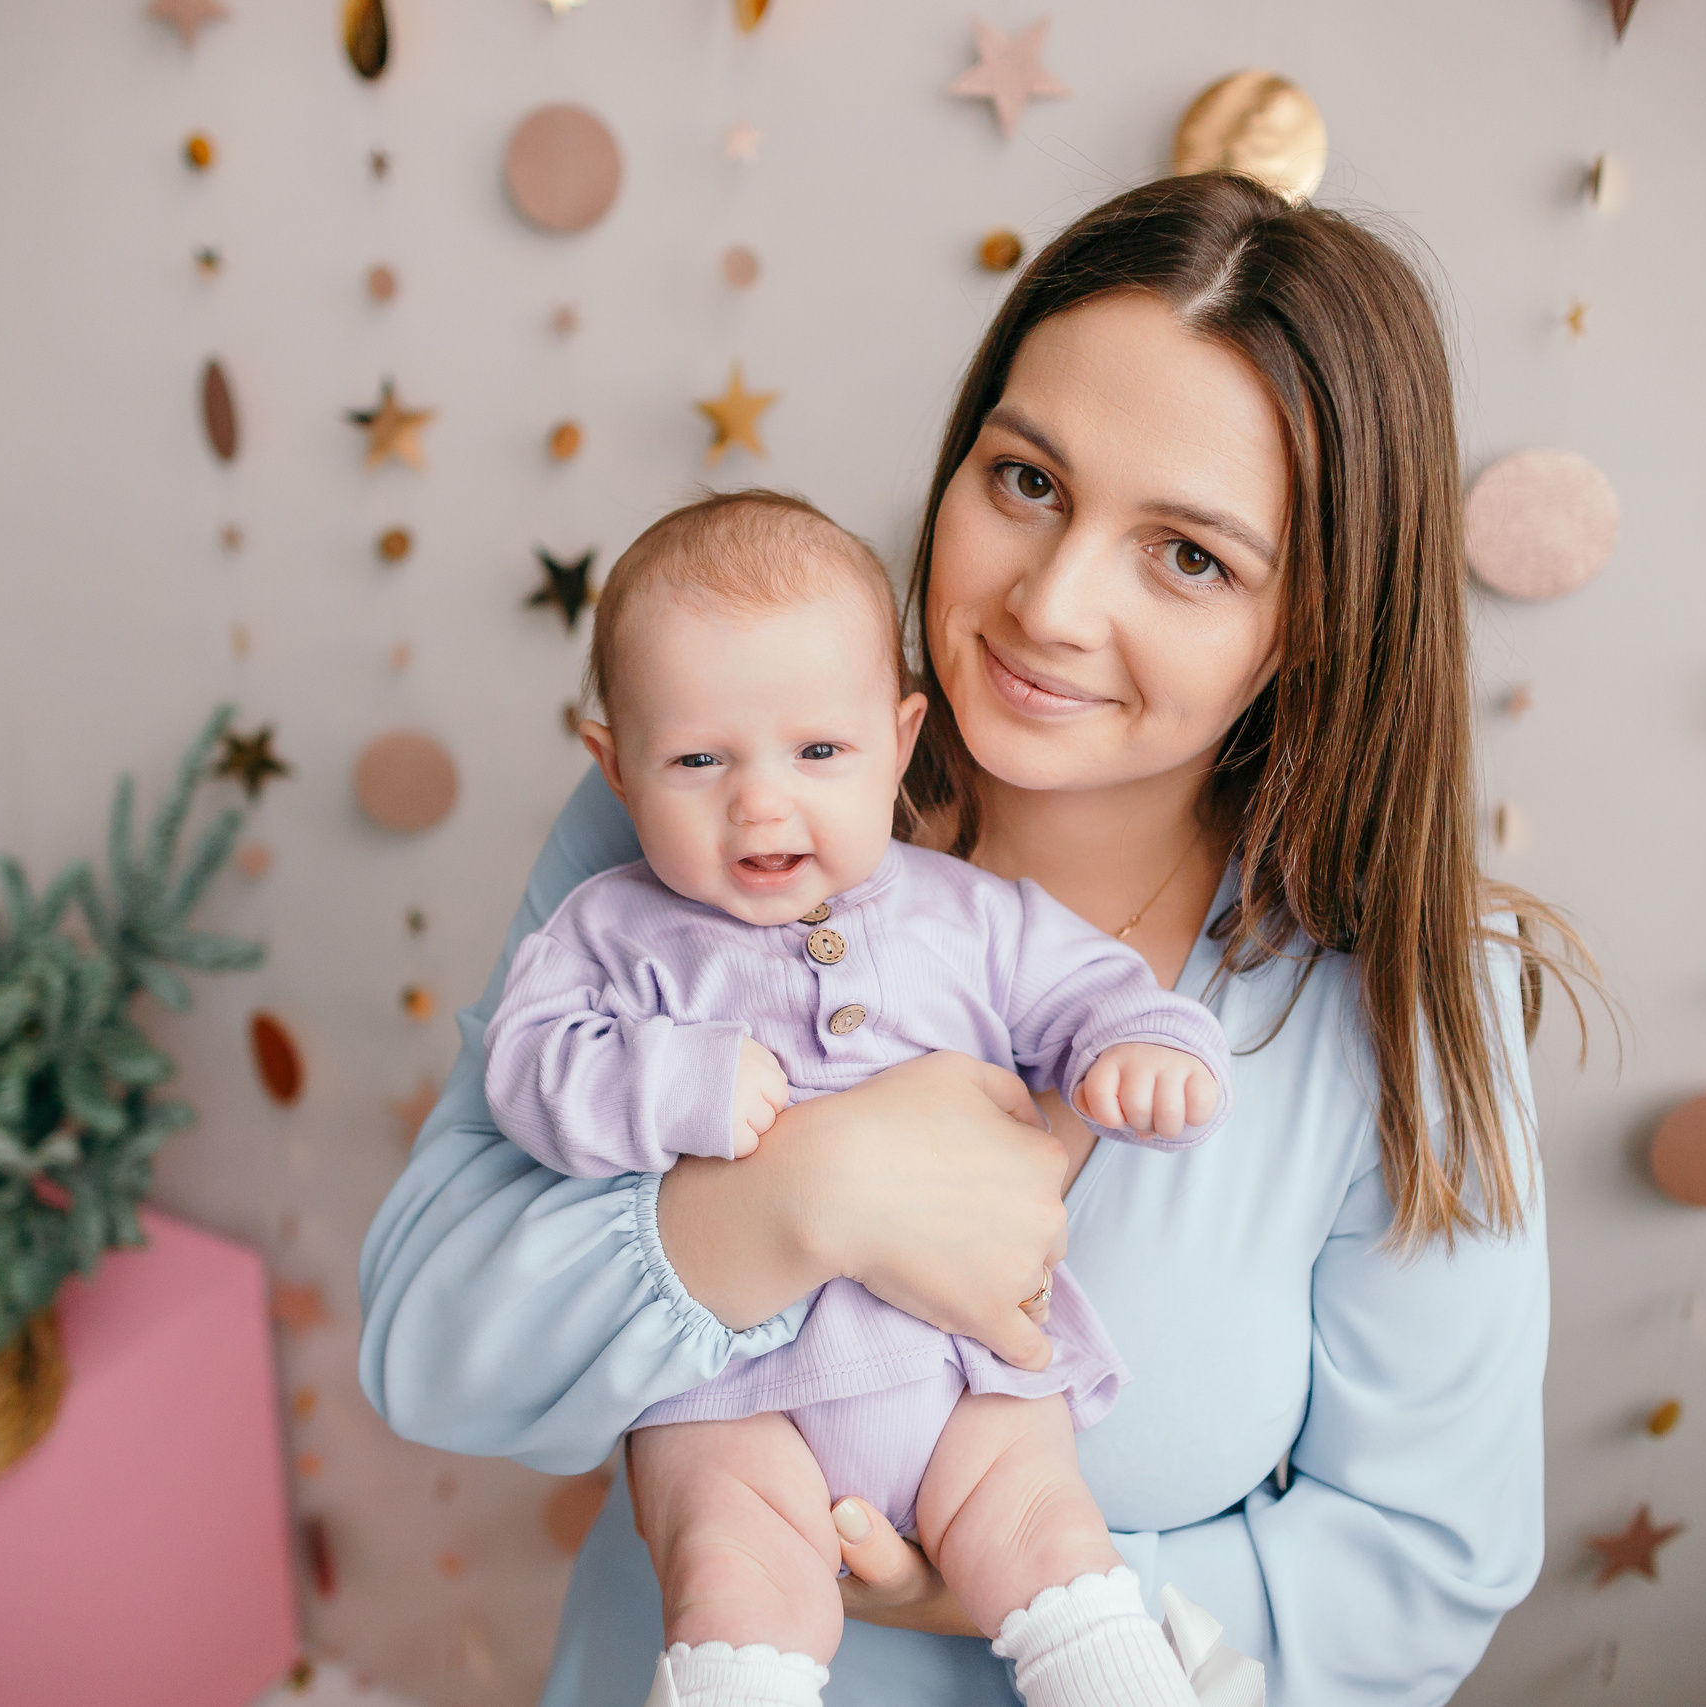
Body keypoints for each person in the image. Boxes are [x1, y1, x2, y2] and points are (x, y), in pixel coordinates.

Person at [360, 169, 1586, 1706]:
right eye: (1026, 482)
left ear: (1316, 624)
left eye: (1190, 554)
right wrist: (803, 1195)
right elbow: (429, 1346)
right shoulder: (715, 818)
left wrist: (1020, 1586)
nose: (1053, 602)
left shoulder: (1403, 991)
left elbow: (1424, 1573)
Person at [479, 489, 1235, 1707]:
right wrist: (671, 1082)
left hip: (965, 1380)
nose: (762, 803)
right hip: (732, 1399)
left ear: (897, 740)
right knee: (732, 1575)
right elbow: (528, 1067)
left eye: (818, 752)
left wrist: (1138, 1042)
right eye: (698, 760)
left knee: (1046, 1534)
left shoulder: (965, 913)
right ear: (614, 766)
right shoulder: (614, 928)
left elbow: (1086, 985)